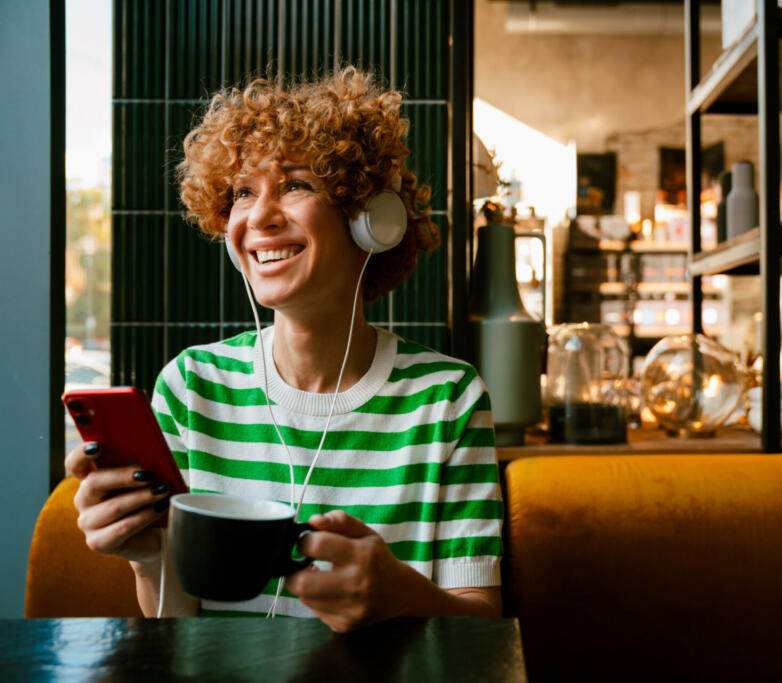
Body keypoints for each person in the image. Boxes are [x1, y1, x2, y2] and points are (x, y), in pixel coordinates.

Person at [64, 66, 503, 630]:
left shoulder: (448, 398)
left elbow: (481, 630)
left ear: (371, 220)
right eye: (243, 193)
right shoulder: (191, 386)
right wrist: (150, 555)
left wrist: (399, 595)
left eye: (296, 185)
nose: (260, 218)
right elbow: (177, 624)